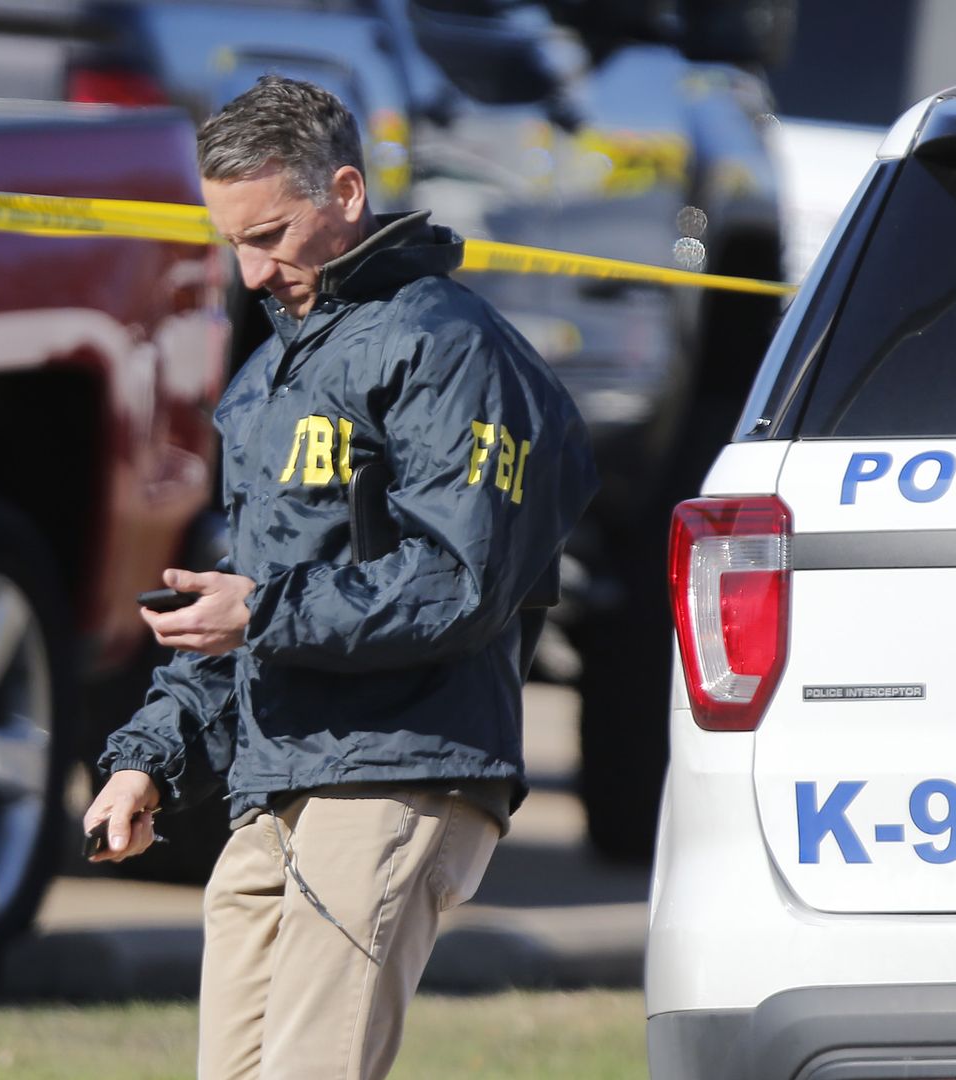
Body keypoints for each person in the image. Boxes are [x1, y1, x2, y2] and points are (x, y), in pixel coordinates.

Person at [81, 75, 598, 1080]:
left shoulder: (449, 348)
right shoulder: (271, 378)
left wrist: (259, 611)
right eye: (232, 240)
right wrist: (150, 755)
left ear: (347, 194)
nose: (253, 270)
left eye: (271, 233)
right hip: (278, 779)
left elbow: (459, 579)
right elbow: (255, 607)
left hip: (399, 768)